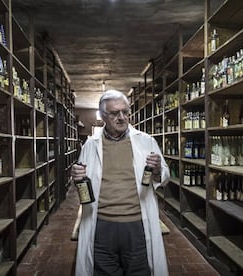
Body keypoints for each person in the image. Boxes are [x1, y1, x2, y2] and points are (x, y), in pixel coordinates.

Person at [71, 90, 170, 276]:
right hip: (101, 224)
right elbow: (82, 181)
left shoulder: (146, 141)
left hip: (136, 224)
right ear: (102, 116)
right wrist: (76, 175)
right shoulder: (90, 145)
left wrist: (157, 170)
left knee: (139, 271)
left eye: (125, 112)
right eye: (115, 113)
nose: (122, 117)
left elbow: (164, 177)